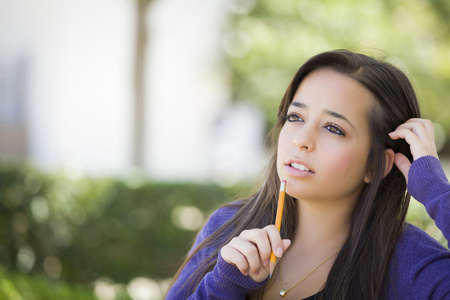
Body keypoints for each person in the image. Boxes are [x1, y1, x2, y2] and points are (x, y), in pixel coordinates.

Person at [165, 50, 450, 299]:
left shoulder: (414, 266)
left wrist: (437, 191)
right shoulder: (227, 228)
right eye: (295, 117)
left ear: (376, 165)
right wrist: (223, 286)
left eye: (333, 128)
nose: (301, 139)